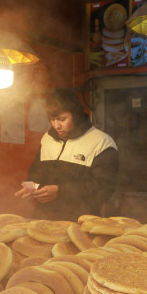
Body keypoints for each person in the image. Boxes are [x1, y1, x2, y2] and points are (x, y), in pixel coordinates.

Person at [15, 89, 118, 221]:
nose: (56, 125)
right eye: (52, 120)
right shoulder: (47, 138)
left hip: (79, 221)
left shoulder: (101, 143)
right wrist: (31, 187)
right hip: (43, 218)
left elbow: (104, 188)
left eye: (62, 119)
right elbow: (37, 172)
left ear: (76, 115)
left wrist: (60, 192)